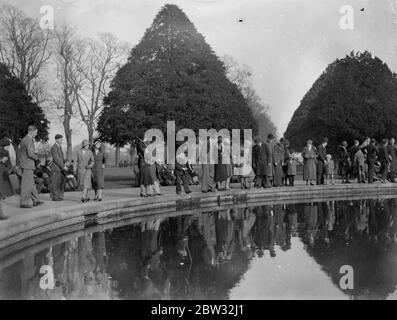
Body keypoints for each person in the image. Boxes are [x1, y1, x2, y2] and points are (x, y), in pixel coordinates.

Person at [19, 125, 43, 208]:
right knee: (27, 184)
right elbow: (30, 153)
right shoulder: (28, 140)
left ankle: (36, 200)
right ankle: (24, 202)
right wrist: (37, 158)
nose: (36, 134)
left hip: (26, 164)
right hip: (27, 165)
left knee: (31, 184)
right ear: (31, 131)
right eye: (35, 132)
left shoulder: (25, 139)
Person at [50, 134, 68, 201]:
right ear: (56, 139)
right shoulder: (54, 147)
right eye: (60, 139)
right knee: (55, 183)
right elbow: (56, 159)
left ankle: (58, 195)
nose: (61, 140)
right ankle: (55, 197)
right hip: (56, 168)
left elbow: (60, 158)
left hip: (59, 168)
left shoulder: (59, 147)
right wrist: (63, 166)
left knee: (60, 182)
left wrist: (65, 162)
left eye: (62, 139)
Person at [0, 148, 11, 220]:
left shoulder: (2, 165)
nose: (7, 159)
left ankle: (1, 215)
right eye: (6, 157)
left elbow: (6, 172)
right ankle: (1, 215)